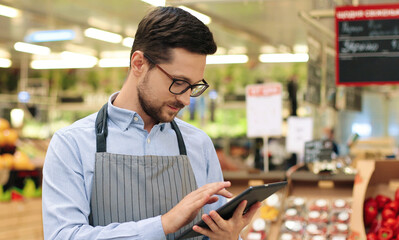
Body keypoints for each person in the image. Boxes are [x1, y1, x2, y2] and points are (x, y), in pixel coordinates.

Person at [42, 6, 260, 240]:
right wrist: (163, 224)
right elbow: (64, 235)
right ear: (139, 64)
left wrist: (229, 236)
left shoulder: (199, 144)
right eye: (178, 82)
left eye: (194, 86)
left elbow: (214, 229)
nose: (186, 99)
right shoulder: (72, 144)